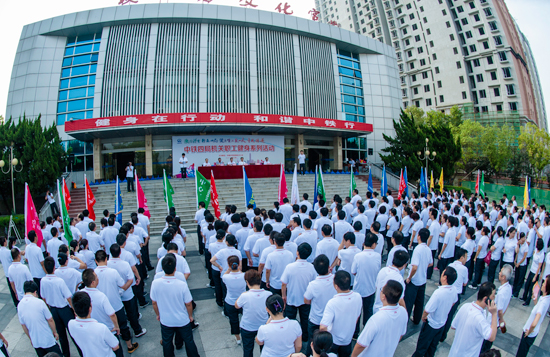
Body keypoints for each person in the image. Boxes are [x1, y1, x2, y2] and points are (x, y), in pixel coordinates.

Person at [151, 254, 200, 357]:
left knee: (167, 343)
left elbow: (154, 302)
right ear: (175, 268)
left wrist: (158, 314)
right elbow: (188, 303)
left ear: (162, 268)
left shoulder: (155, 283)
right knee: (189, 341)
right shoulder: (181, 284)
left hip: (166, 319)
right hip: (182, 319)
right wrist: (190, 316)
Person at [94, 250, 139, 354]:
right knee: (123, 325)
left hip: (101, 306)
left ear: (96, 261)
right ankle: (129, 345)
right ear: (106, 259)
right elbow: (123, 285)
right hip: (116, 304)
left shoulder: (93, 273)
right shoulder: (112, 272)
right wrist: (122, 290)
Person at [351, 280, 408, 357]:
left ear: (383, 296)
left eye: (381, 290)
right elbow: (401, 335)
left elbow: (361, 344)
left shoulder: (376, 319)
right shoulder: (403, 312)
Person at [411, 266, 458, 357]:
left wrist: (424, 317)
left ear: (445, 277)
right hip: (441, 323)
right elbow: (453, 302)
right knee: (432, 347)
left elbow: (427, 310)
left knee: (421, 347)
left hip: (431, 324)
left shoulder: (438, 293)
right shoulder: (454, 290)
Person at [40, 257, 80, 357]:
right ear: (54, 267)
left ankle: (66, 355)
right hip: (64, 310)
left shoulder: (43, 280)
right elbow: (69, 298)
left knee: (62, 336)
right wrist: (74, 310)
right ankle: (82, 352)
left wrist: (49, 308)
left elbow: (43, 297)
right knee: (73, 333)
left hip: (53, 310)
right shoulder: (59, 281)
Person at [448, 282, 498, 357]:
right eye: (493, 295)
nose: (494, 298)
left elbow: (453, 326)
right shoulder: (480, 319)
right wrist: (494, 314)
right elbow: (491, 337)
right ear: (486, 299)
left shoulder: (465, 306)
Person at [320, 271, 362, 357]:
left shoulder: (332, 303)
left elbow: (323, 327)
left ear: (336, 286)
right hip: (348, 339)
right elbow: (357, 316)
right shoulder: (358, 297)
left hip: (333, 340)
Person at [18, 281, 63, 357]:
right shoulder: (40, 302)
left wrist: (31, 338)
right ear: (35, 292)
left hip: (36, 342)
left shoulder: (20, 305)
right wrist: (55, 331)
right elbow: (50, 319)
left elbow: (24, 326)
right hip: (47, 340)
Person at [281, 243, 316, 342]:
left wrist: (284, 295)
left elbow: (284, 283)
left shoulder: (290, 267)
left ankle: (290, 338)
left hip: (291, 298)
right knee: (305, 320)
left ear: (297, 253)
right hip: (306, 299)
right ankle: (304, 338)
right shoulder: (311, 267)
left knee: (290, 320)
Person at [303, 255, 337, 356]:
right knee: (328, 343)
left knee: (312, 342)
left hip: (315, 319)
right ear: (328, 267)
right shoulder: (335, 280)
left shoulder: (313, 284)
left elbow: (306, 300)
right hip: (330, 320)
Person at [69, 291, 120, 357]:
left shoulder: (71, 324)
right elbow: (115, 346)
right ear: (90, 308)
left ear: (75, 310)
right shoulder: (101, 328)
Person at [235, 270, 272, 357]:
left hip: (247, 327)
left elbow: (236, 306)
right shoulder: (268, 294)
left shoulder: (244, 295)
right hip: (264, 326)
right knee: (265, 350)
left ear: (247, 282)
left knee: (248, 350)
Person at [481, 265, 513, 353]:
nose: (499, 273)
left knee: (485, 343)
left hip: (492, 321)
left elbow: (500, 309)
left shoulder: (501, 293)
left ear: (504, 277)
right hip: (496, 320)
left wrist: (501, 319)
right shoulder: (509, 288)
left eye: (500, 272)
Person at [351, 233, 380, 326]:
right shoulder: (377, 256)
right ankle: (367, 328)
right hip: (371, 288)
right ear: (374, 244)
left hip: (358, 287)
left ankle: (355, 333)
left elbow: (353, 271)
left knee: (356, 312)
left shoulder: (358, 256)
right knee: (368, 311)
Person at [516, 277, 550, 357]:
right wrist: (535, 301)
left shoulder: (543, 302)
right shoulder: (545, 298)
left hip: (529, 333)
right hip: (532, 333)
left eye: (544, 283)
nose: (543, 284)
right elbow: (539, 311)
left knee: (521, 354)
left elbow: (535, 322)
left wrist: (529, 331)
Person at [221, 255, 246, 344]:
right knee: (245, 317)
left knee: (233, 320)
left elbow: (224, 275)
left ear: (229, 265)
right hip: (243, 302)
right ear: (239, 264)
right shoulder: (244, 276)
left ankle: (238, 338)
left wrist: (229, 269)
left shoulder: (226, 277)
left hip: (230, 302)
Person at [521, 238, 544, 306]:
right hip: (531, 270)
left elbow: (539, 266)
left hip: (535, 272)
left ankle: (527, 301)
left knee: (531, 288)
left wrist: (535, 276)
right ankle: (524, 297)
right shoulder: (535, 250)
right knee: (527, 285)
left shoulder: (541, 254)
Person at [26, 230, 46, 298]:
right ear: (35, 237)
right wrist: (46, 273)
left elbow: (26, 259)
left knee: (37, 292)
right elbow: (42, 263)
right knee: (42, 293)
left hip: (33, 273)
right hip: (40, 274)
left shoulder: (27, 247)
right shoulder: (38, 249)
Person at [0, 236, 18, 306]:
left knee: (11, 289)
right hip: (12, 272)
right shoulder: (8, 252)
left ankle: (15, 303)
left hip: (6, 273)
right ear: (4, 242)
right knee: (16, 287)